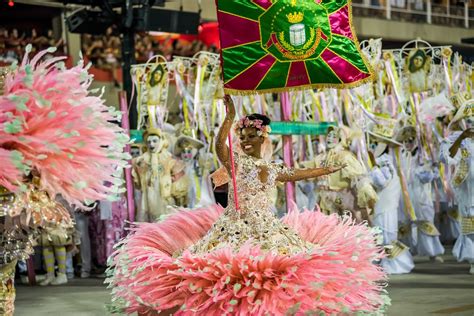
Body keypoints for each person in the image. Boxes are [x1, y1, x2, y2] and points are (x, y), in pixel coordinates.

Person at [107, 95, 387, 315]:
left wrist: (324, 171)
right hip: (234, 224)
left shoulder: (273, 168)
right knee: (227, 273)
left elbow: (297, 173)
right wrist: (228, 118)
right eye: (243, 138)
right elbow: (219, 147)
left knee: (274, 273)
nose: (246, 142)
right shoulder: (237, 162)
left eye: (251, 137)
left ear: (263, 137)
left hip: (266, 226)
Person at [397, 124, 445, 263]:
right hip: (405, 195)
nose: (407, 144)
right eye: (405, 141)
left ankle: (432, 252)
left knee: (425, 220)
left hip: (421, 194)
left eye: (410, 140)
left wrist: (428, 169)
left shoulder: (423, 155)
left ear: (416, 140)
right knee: (405, 223)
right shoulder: (402, 155)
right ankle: (406, 251)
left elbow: (430, 177)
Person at [440, 100, 474, 274]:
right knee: (470, 223)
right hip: (467, 190)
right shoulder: (457, 139)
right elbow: (446, 157)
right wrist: (462, 137)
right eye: (469, 120)